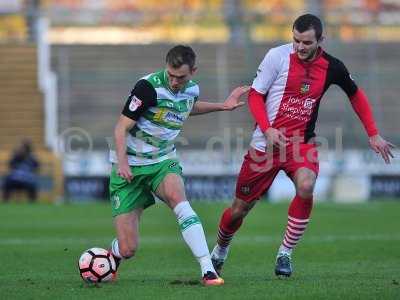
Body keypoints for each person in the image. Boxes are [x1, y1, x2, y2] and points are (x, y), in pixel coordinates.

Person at [210, 14, 395, 278]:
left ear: (321, 40)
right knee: (239, 209)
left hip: (302, 144)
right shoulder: (276, 57)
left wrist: (373, 134)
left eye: (306, 42)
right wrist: (268, 129)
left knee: (306, 186)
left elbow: (356, 94)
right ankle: (220, 250)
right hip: (265, 145)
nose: (299, 47)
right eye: (296, 40)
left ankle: (285, 253)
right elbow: (255, 96)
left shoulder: (332, 66)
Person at [108, 45, 249, 286]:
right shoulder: (148, 87)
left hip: (163, 161)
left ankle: (208, 270)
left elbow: (187, 107)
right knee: (128, 248)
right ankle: (111, 256)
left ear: (193, 71)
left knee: (179, 200)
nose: (174, 81)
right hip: (129, 167)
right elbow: (121, 127)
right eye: (171, 75)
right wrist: (122, 163)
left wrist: (222, 106)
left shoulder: (191, 89)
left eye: (180, 77)